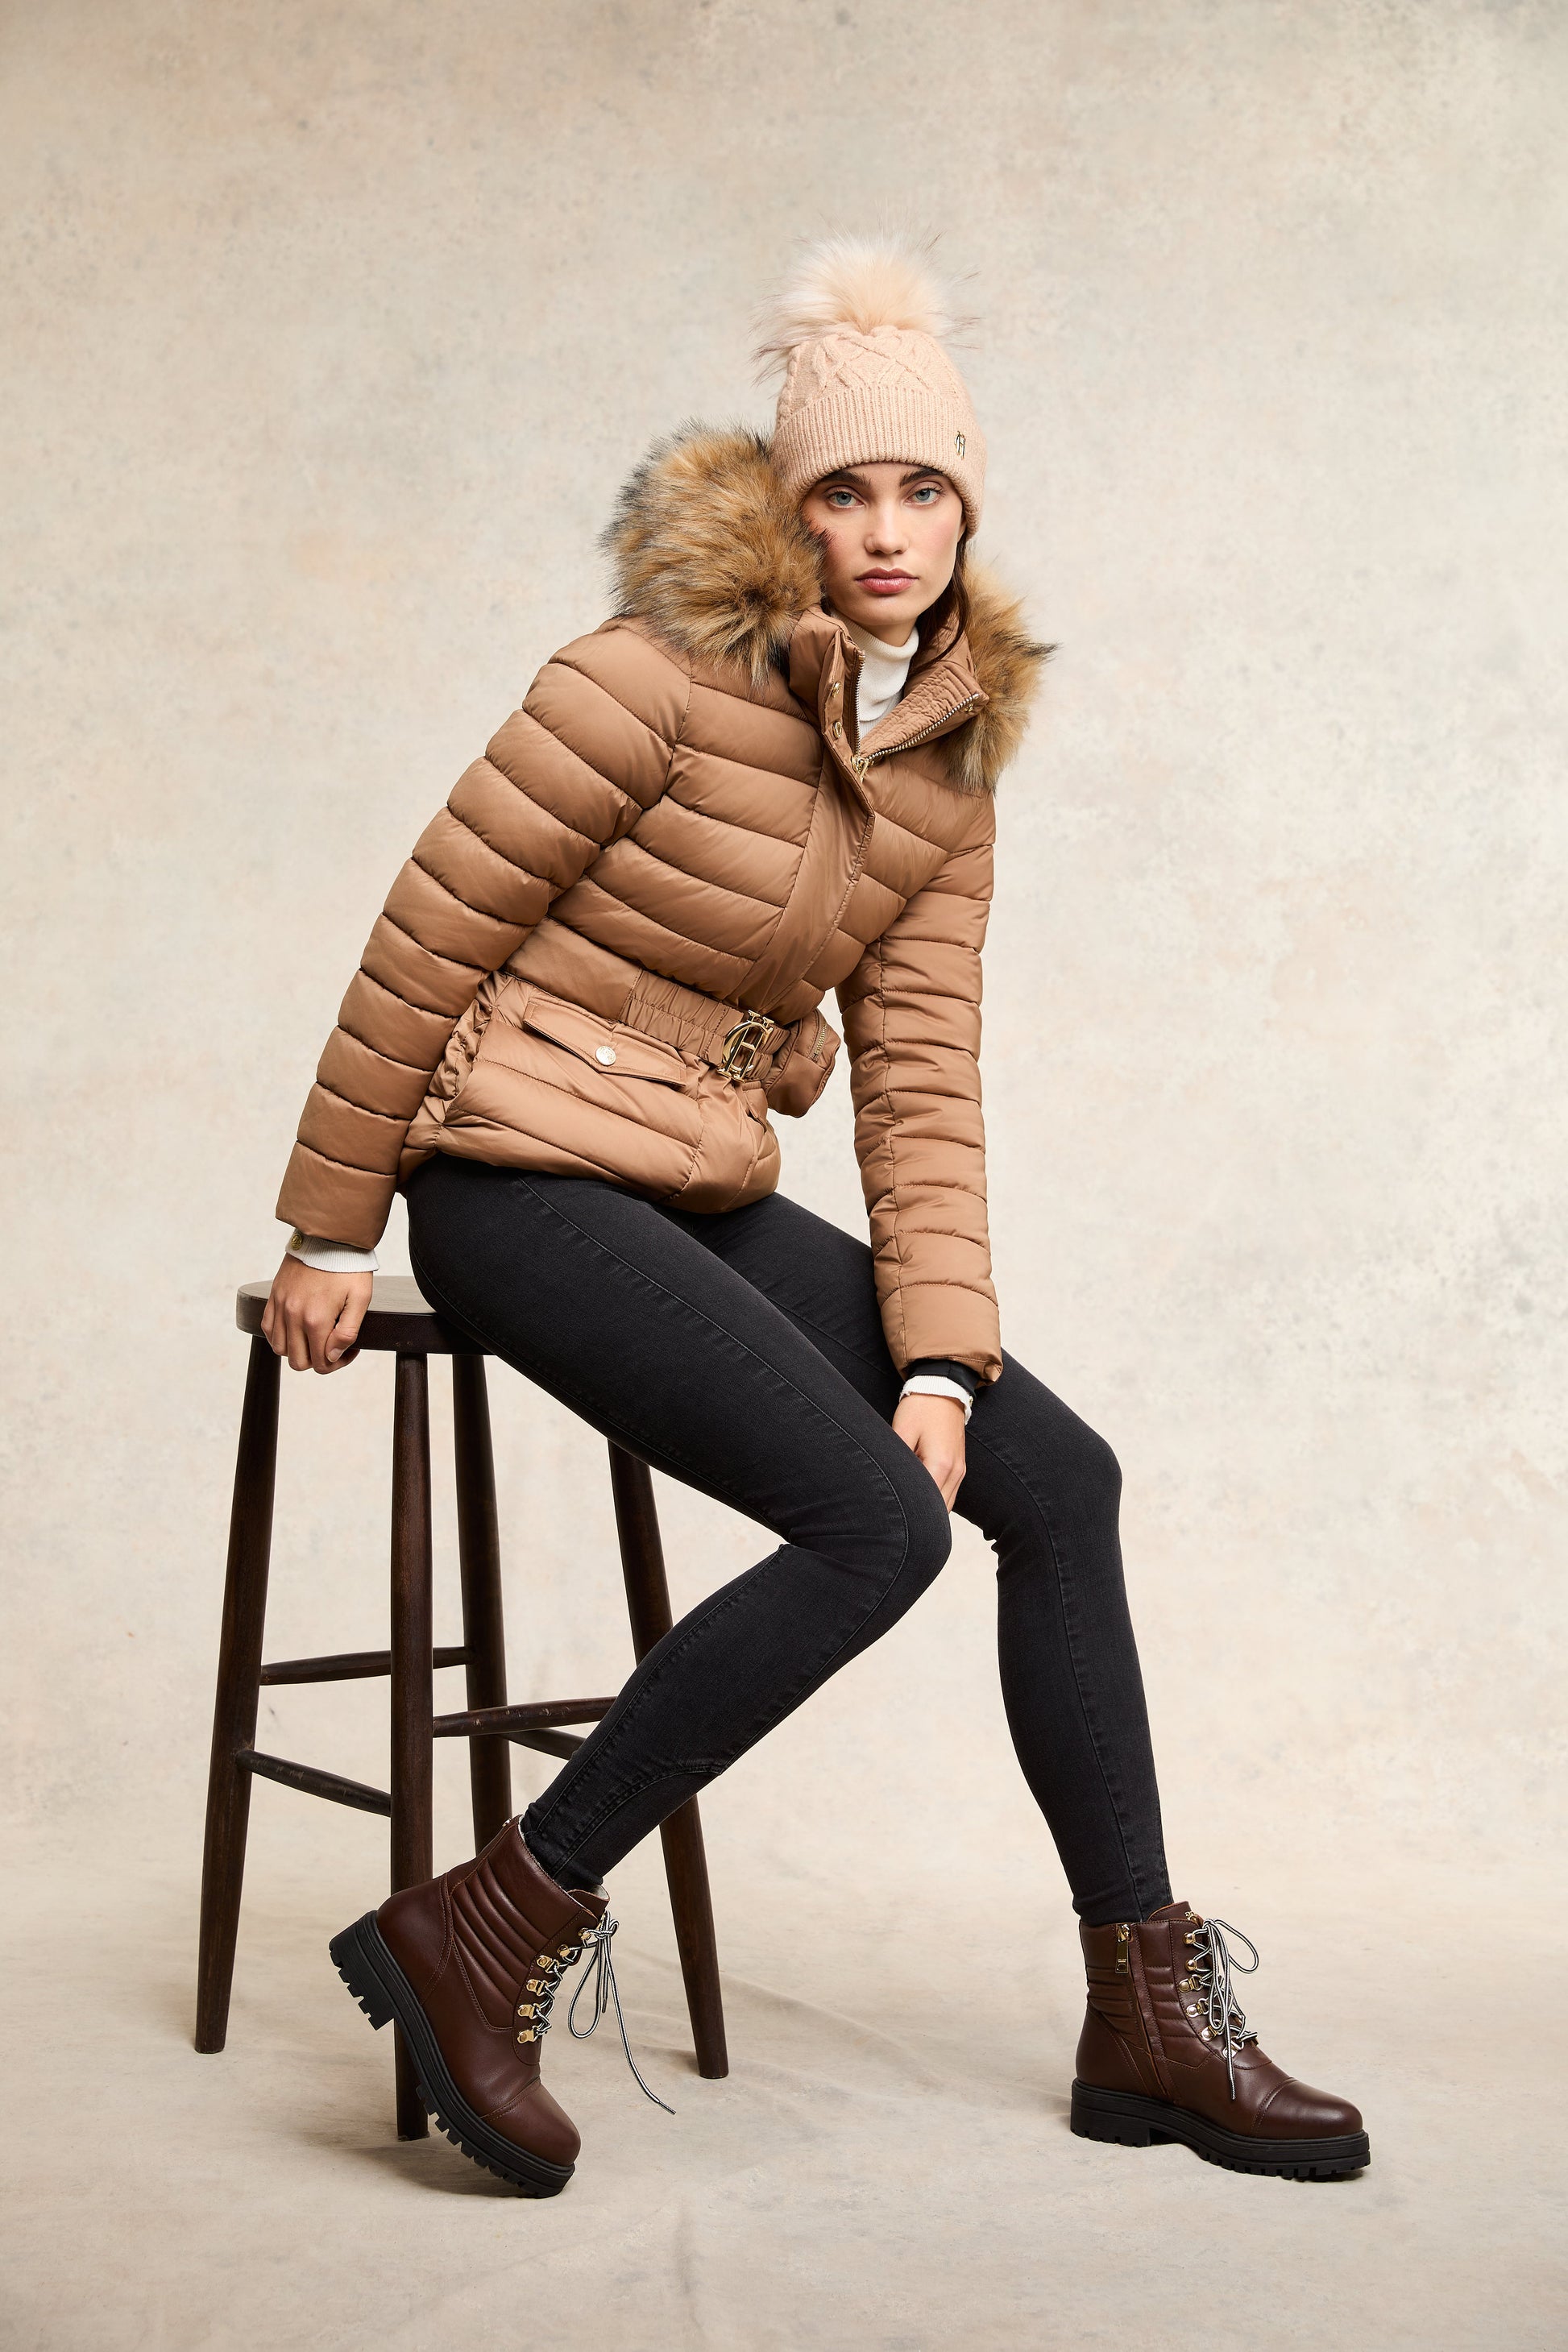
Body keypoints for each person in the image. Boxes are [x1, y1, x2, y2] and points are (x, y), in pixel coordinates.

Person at [261, 236, 1367, 2196]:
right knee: (877, 1526)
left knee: (1055, 1474)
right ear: (786, 508)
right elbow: (430, 930)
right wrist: (332, 1227)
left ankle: (1142, 2004)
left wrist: (941, 1358)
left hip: (684, 1182)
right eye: (843, 490)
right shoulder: (640, 679)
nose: (885, 529)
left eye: (922, 487)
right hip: (507, 1176)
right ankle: (491, 1917)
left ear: (965, 510)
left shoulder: (942, 761)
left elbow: (921, 1083)